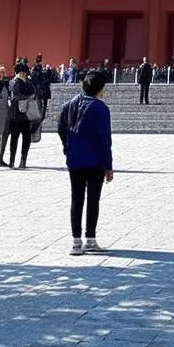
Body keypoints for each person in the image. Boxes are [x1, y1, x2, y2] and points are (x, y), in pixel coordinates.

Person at [58, 70, 113, 255]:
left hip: (75, 160)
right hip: (95, 160)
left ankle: (76, 241)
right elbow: (105, 139)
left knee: (76, 199)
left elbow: (60, 128)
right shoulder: (101, 108)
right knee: (93, 199)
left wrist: (68, 147)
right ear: (99, 89)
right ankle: (90, 239)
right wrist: (109, 165)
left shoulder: (69, 105)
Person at [7, 62, 37, 169]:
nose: (23, 74)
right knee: (14, 138)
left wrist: (26, 82)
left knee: (26, 138)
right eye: (21, 72)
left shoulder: (29, 83)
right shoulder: (13, 82)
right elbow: (16, 95)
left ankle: (23, 160)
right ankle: (11, 161)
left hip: (26, 115)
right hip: (15, 114)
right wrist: (20, 82)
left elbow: (34, 92)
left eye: (24, 72)